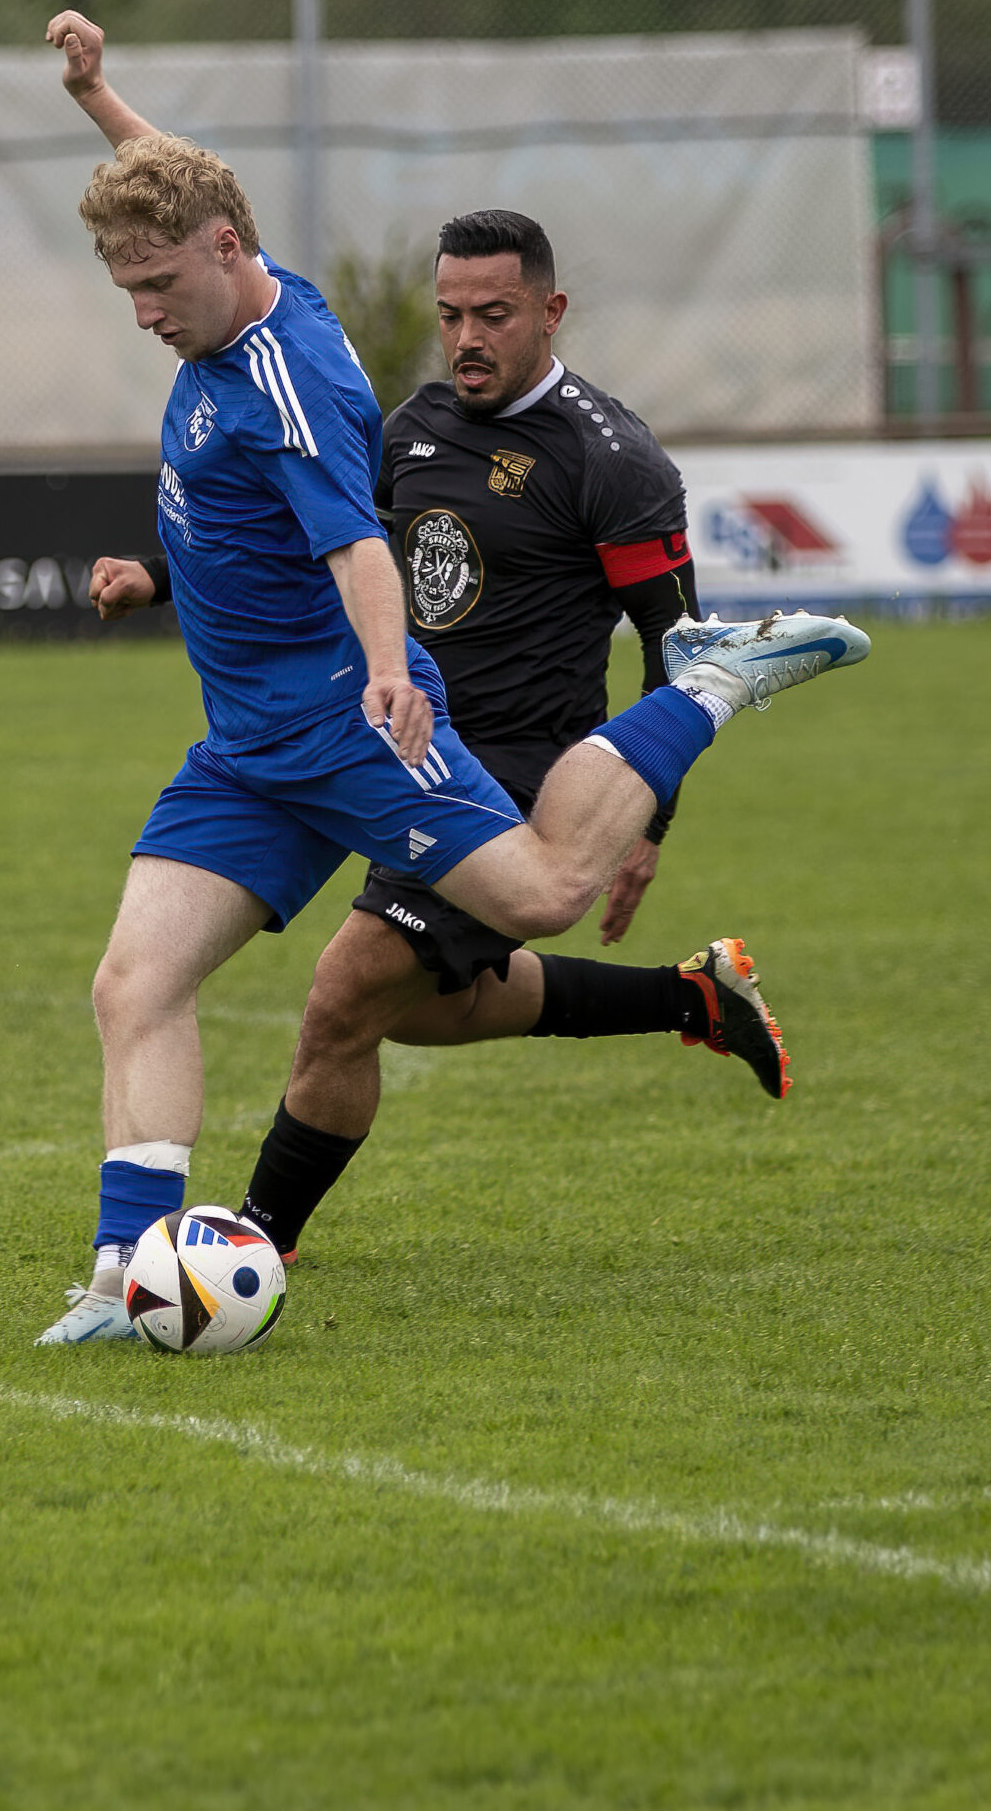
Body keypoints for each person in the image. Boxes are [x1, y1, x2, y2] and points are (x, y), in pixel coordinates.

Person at [35, 10, 869, 1344]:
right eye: (125, 289)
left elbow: (359, 548)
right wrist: (98, 99)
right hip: (247, 745)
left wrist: (385, 675)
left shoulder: (285, 379)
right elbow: (184, 187)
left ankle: (706, 685)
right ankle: (117, 1279)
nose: (142, 314)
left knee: (541, 888)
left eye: (154, 291)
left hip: (341, 721)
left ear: (223, 260)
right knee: (131, 986)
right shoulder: (241, 274)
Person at [234, 207, 785, 1271]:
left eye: (493, 313)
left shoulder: (609, 460)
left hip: (522, 777)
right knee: (424, 1012)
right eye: (449, 315)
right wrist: (159, 576)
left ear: (550, 310)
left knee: (343, 998)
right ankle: (695, 994)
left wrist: (643, 820)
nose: (466, 337)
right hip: (410, 761)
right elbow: (336, 541)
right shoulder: (415, 428)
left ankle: (250, 1249)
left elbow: (682, 651)